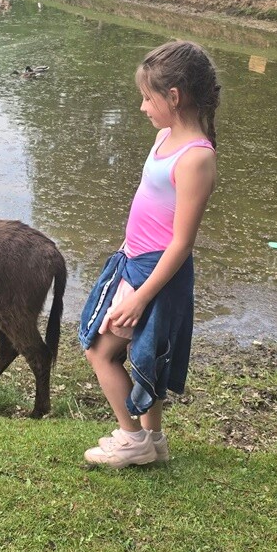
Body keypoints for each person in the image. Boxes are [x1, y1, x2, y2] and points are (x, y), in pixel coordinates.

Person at [79, 40, 220, 469]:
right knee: (146, 356)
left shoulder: (196, 157)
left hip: (156, 274)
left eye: (147, 97)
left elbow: (181, 242)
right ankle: (153, 440)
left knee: (100, 351)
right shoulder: (164, 137)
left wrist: (140, 296)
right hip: (134, 261)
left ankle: (132, 436)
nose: (142, 107)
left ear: (173, 96)